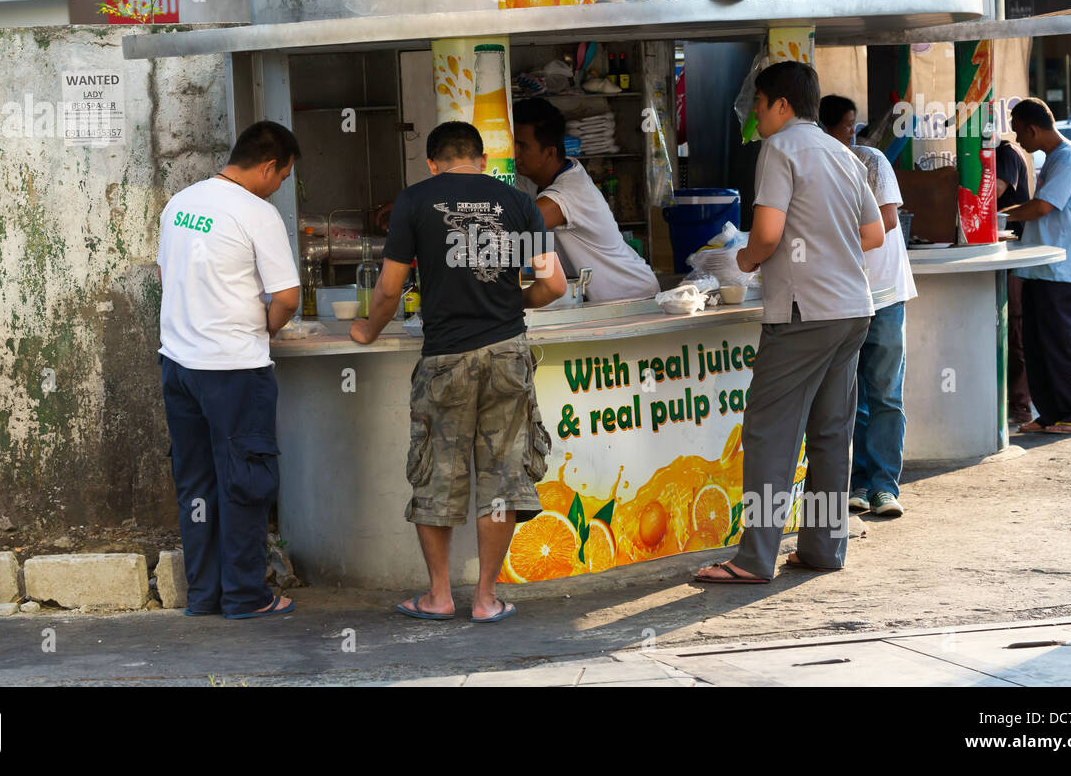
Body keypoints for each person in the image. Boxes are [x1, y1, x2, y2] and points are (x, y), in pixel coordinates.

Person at [350, 121, 568, 622]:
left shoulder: (414, 200)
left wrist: (367, 330)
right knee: (503, 477)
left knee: (437, 475)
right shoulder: (517, 202)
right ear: (483, 160)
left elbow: (388, 289)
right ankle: (487, 599)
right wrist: (514, 301)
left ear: (432, 163)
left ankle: (440, 596)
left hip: (445, 357)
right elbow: (552, 284)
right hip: (508, 354)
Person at [694, 63, 885, 584]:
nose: (754, 114)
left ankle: (754, 559)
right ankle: (823, 548)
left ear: (781, 105)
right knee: (830, 432)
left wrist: (743, 261)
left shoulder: (779, 151)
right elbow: (873, 234)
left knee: (768, 433)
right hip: (852, 310)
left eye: (757, 103)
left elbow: (768, 234)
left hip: (805, 314)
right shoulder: (842, 153)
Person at [157, 120, 302, 618]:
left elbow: (166, 273)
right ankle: (244, 596)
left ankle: (205, 595)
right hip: (234, 370)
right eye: (282, 176)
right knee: (245, 481)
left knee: (197, 483)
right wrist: (266, 328)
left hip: (178, 366)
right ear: (268, 166)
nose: (280, 185)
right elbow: (286, 297)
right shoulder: (257, 213)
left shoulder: (180, 203)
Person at [820, 95, 918, 518]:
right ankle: (859, 482)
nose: (852, 135)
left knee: (884, 393)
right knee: (852, 395)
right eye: (845, 127)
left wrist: (827, 250)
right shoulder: (817, 165)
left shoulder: (871, 160)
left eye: (853, 126)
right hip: (843, 295)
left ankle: (884, 486)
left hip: (883, 293)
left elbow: (886, 222)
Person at [1003, 98, 1071, 435]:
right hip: (1040, 269)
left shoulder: (1069, 158)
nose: (1018, 142)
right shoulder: (1055, 158)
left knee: (1060, 345)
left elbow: (1042, 207)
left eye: (1018, 134)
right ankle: (1051, 413)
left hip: (1061, 269)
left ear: (1032, 128)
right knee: (1037, 346)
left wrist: (998, 215)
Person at [512, 98, 659, 302]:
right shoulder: (535, 177)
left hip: (632, 296)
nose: (514, 153)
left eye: (522, 146)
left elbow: (518, 225)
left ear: (550, 153)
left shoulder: (569, 191)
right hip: (599, 298)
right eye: (511, 144)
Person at [994, 135, 1034, 429]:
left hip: (1014, 252)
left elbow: (992, 192)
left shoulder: (1006, 153)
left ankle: (1021, 407)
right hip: (1003, 253)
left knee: (1015, 332)